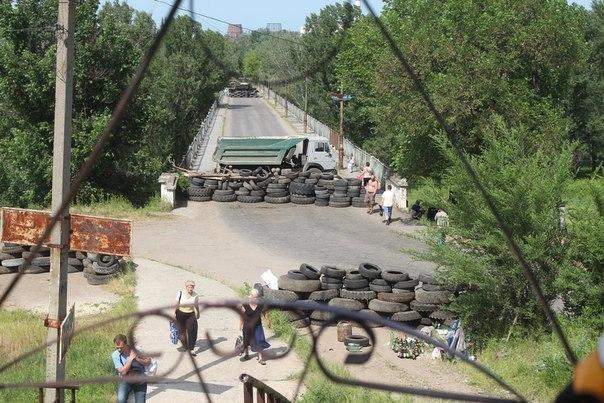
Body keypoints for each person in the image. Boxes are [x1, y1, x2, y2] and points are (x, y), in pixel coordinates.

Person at [112, 334, 151, 403]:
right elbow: (123, 372)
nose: (119, 349)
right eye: (117, 347)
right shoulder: (115, 355)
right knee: (121, 399)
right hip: (125, 380)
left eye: (121, 347)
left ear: (126, 344)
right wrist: (130, 359)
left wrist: (137, 358)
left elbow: (148, 362)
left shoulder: (136, 349)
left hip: (140, 380)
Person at [239, 289, 270, 365]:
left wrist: (268, 321)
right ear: (250, 296)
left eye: (257, 297)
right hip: (247, 325)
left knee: (259, 340)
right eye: (254, 297)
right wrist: (240, 324)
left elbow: (265, 313)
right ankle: (246, 354)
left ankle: (260, 358)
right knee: (247, 340)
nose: (255, 299)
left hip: (257, 326)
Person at [175, 280, 200, 355]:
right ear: (186, 287)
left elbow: (196, 305)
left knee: (192, 330)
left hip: (190, 314)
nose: (191, 288)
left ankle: (191, 348)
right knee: (181, 331)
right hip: (180, 313)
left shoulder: (196, 295)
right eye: (190, 286)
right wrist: (173, 313)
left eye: (192, 286)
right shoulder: (180, 293)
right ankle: (185, 345)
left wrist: (198, 312)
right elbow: (176, 304)